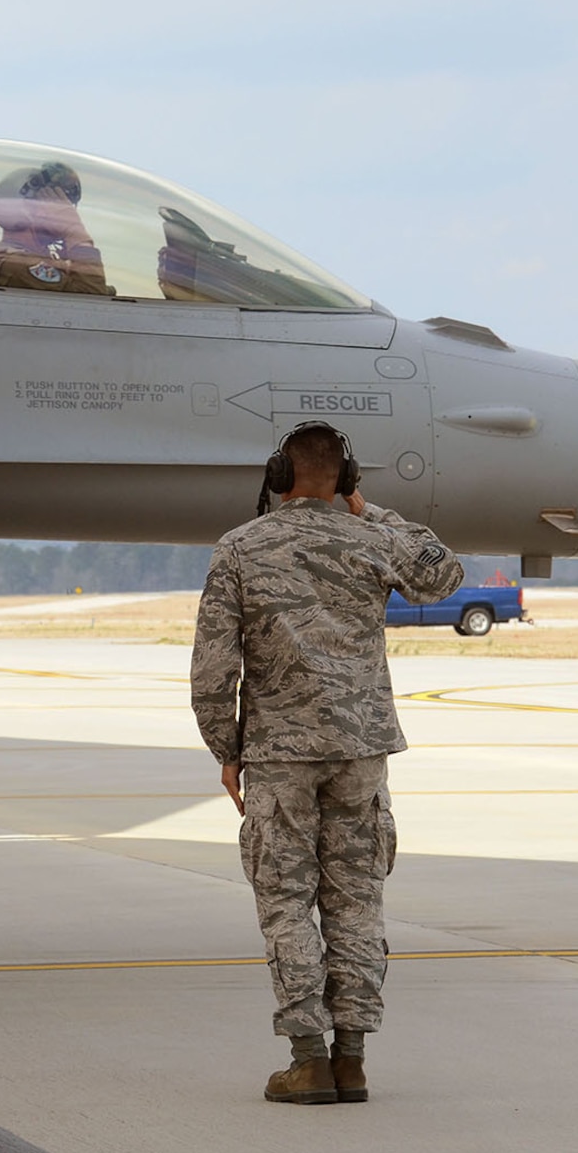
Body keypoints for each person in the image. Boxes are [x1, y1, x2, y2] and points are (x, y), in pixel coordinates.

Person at [191, 422, 464, 1104]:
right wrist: (368, 510)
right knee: (356, 899)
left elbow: (212, 668)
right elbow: (443, 572)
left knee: (286, 900)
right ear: (345, 479)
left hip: (280, 753)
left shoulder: (240, 548)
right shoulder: (373, 537)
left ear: (280, 474)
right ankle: (352, 1058)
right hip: (361, 751)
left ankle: (306, 1057)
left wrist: (225, 746)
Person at [0, 162, 112, 294]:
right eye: (55, 206)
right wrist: (74, 231)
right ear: (25, 209)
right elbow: (92, 300)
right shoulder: (16, 265)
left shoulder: (29, 260)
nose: (64, 214)